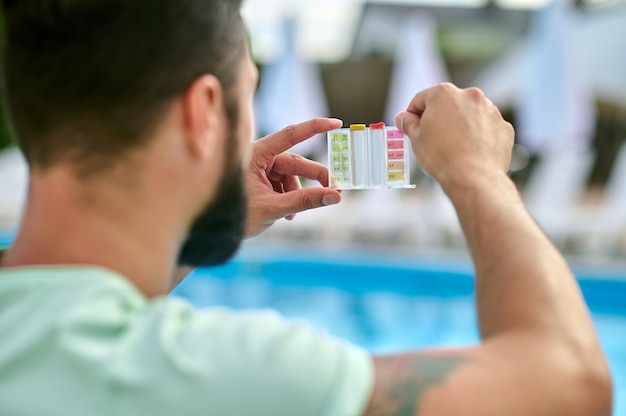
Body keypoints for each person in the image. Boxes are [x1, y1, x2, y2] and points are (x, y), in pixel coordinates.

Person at [0, 1, 612, 415]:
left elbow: (62, 307)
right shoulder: (216, 372)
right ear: (203, 114)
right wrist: (478, 174)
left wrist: (202, 211)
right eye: (249, 101)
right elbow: (570, 383)